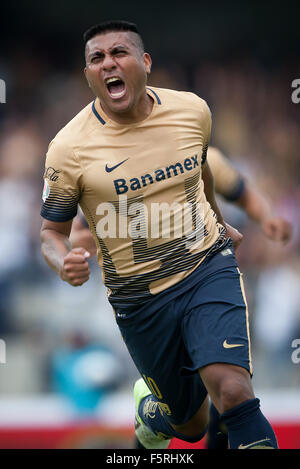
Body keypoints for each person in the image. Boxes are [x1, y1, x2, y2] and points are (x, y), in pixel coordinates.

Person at [40, 20, 278, 449]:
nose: (109, 63)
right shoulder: (67, 149)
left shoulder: (192, 110)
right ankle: (154, 413)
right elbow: (50, 233)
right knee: (191, 426)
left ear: (145, 62)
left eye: (120, 53)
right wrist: (64, 261)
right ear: (88, 76)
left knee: (233, 391)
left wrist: (218, 221)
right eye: (97, 58)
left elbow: (200, 172)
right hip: (139, 299)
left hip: (206, 264)